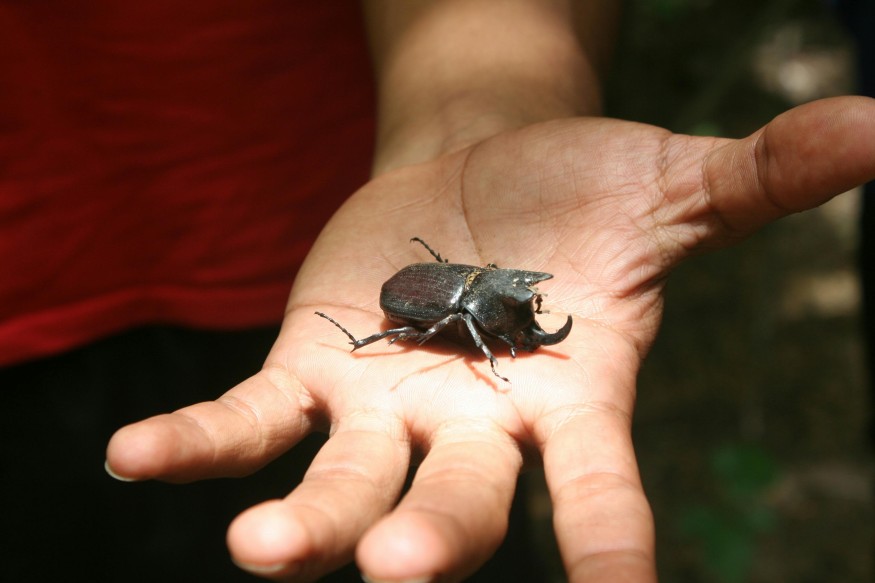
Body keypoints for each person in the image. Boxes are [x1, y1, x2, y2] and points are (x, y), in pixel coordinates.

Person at [4, 1, 874, 582]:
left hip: (293, 240)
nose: (520, 322)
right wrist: (495, 345)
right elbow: (472, 319)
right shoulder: (461, 309)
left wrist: (477, 113)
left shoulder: (479, 290)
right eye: (514, 315)